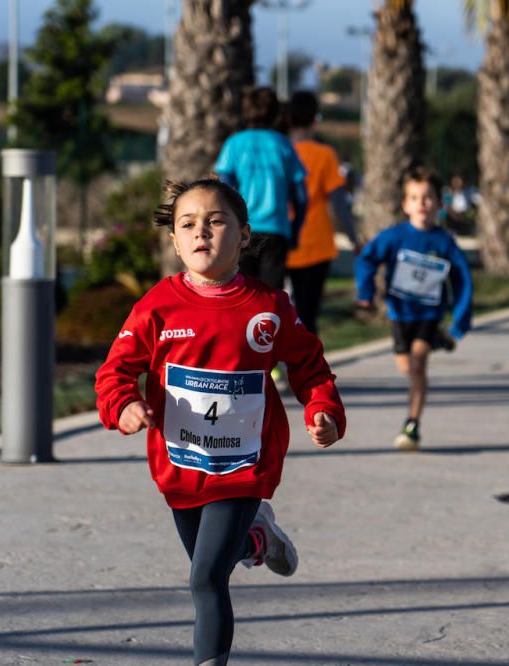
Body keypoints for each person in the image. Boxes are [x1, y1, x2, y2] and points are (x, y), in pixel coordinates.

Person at [95, 178, 345, 666]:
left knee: (205, 578)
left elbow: (310, 366)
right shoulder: (157, 307)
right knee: (212, 564)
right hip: (180, 465)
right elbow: (115, 370)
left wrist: (324, 411)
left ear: (244, 236)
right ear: (174, 240)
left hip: (245, 464)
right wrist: (123, 405)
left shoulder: (268, 307)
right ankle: (259, 538)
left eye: (215, 221)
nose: (200, 232)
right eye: (187, 224)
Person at [355, 166, 473, 450]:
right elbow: (367, 259)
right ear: (405, 204)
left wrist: (460, 322)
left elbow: (462, 281)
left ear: (440, 203)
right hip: (400, 314)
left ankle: (412, 424)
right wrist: (366, 292)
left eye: (429, 197)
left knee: (418, 365)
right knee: (406, 367)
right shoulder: (394, 236)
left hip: (429, 314)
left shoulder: (445, 242)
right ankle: (433, 354)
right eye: (415, 197)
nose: (422, 203)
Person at [215, 86, 307, 290]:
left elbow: (222, 188)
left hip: (242, 230)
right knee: (270, 295)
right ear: (276, 113)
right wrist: (296, 229)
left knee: (240, 290)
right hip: (277, 230)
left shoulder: (235, 143)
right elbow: (300, 196)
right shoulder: (283, 144)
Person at [285, 90, 359, 336]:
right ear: (315, 119)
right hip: (317, 245)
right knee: (308, 315)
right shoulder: (325, 155)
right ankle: (307, 371)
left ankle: (276, 364)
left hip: (281, 243)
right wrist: (353, 237)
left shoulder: (279, 151)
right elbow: (339, 202)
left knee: (276, 313)